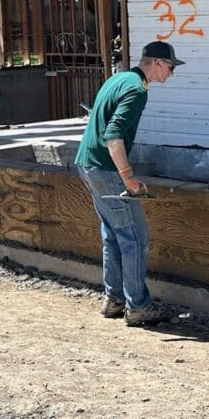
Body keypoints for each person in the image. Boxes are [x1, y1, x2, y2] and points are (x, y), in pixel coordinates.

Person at [75, 40, 184, 326]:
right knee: (135, 237)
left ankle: (115, 300)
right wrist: (129, 178)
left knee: (113, 234)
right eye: (170, 67)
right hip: (107, 170)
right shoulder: (137, 90)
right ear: (157, 63)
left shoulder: (120, 78)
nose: (171, 74)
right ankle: (138, 307)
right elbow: (113, 135)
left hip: (88, 165)